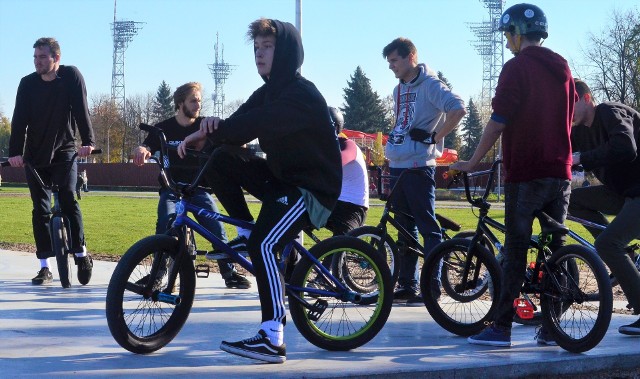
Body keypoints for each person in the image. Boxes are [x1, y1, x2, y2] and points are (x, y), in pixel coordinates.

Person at [178, 18, 341, 364]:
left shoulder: (300, 94)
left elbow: (256, 123)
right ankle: (243, 229)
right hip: (281, 179)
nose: (259, 54)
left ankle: (272, 337)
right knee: (219, 157)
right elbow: (237, 122)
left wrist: (220, 130)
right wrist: (203, 132)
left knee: (263, 244)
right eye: (256, 48)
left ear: (285, 52)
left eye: (268, 47)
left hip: (310, 189)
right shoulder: (268, 91)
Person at [452, 3, 575, 347]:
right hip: (560, 170)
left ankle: (501, 326)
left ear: (519, 34)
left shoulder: (517, 67)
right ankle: (552, 328)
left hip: (526, 171)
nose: (507, 42)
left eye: (508, 35)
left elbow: (498, 121)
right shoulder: (562, 67)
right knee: (555, 246)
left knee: (516, 249)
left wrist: (475, 160)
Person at [132, 82, 251, 290]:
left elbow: (232, 137)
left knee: (217, 230)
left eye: (199, 101)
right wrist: (141, 150)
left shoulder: (205, 125)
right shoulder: (163, 128)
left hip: (198, 189)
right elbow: (147, 145)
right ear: (180, 103)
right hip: (172, 189)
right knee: (165, 225)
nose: (198, 105)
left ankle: (229, 272)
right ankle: (158, 275)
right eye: (193, 101)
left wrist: (238, 141)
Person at [381, 37, 466, 306]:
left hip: (419, 168)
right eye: (389, 61)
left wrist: (434, 137)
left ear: (411, 57)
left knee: (428, 228)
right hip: (398, 166)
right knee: (404, 228)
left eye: (395, 60)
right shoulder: (397, 90)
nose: (391, 66)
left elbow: (458, 108)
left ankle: (431, 287)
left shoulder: (431, 85)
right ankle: (407, 285)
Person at [8, 37, 95, 286]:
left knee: (68, 198)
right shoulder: (27, 84)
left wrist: (88, 142)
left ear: (56, 58)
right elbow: (19, 120)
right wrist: (15, 152)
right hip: (35, 155)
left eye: (42, 57)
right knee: (40, 209)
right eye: (35, 57)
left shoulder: (71, 76)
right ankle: (45, 266)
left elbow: (81, 110)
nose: (37, 62)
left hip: (65, 150)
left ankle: (80, 253)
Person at [570, 79, 640, 336]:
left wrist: (581, 158)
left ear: (586, 99)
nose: (567, 112)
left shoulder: (610, 111)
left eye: (570, 104)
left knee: (607, 245)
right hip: (621, 193)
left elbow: (625, 146)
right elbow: (559, 154)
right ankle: (627, 256)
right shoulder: (577, 131)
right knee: (572, 201)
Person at [324, 106, 369, 236]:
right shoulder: (322, 147)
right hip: (332, 203)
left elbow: (338, 161)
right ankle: (290, 257)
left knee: (336, 250)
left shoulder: (348, 145)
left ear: (335, 127)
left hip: (353, 207)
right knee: (291, 217)